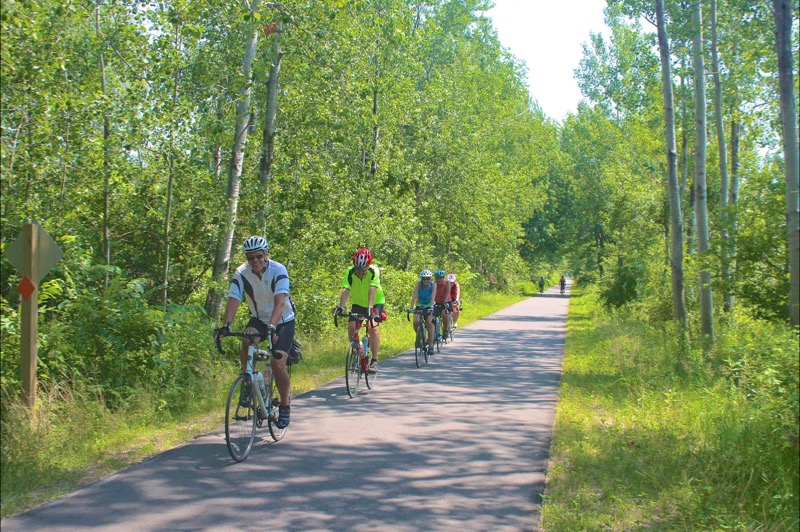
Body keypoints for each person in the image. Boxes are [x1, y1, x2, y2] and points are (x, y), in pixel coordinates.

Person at [215, 236, 296, 429]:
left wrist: (273, 326)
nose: (255, 261)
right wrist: (226, 325)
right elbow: (234, 298)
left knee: (277, 364)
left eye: (259, 256)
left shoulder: (279, 270)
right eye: (250, 258)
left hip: (283, 320)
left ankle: (284, 405)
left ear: (266, 254)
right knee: (247, 340)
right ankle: (247, 381)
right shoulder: (242, 273)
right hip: (259, 318)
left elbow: (280, 303)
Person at [333, 247, 386, 373]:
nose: (361, 273)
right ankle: (358, 353)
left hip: (375, 302)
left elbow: (373, 289)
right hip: (357, 303)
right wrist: (341, 307)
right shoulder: (350, 272)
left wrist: (370, 308)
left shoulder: (374, 271)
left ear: (368, 266)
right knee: (351, 328)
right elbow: (346, 289)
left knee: (373, 328)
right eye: (358, 270)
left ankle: (374, 360)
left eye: (363, 270)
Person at [410, 269, 436, 355]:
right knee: (416, 321)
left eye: (427, 278)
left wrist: (432, 307)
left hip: (429, 305)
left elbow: (433, 296)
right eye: (423, 278)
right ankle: (420, 337)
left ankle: (431, 345)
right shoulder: (418, 284)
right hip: (420, 305)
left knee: (429, 323)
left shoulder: (433, 285)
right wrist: (411, 307)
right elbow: (415, 295)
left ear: (430, 279)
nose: (425, 280)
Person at [432, 269, 452, 339]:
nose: (439, 280)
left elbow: (447, 293)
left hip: (446, 301)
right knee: (432, 316)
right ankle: (434, 332)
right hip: (437, 302)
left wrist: (445, 302)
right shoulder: (433, 283)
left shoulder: (447, 283)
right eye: (437, 278)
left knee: (444, 313)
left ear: (443, 278)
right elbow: (431, 294)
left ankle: (446, 329)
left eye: (440, 278)